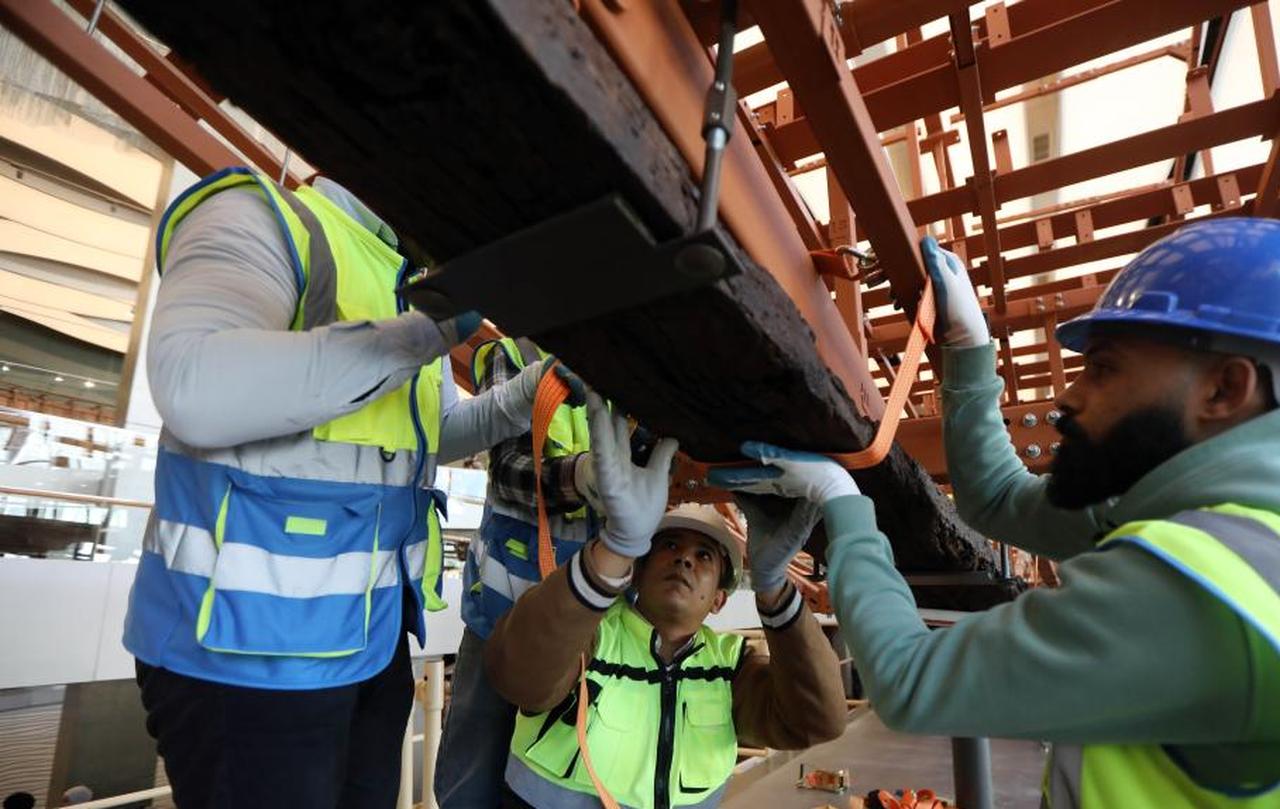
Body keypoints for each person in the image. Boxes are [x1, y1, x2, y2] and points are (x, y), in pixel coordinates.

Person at [710, 218, 1280, 808]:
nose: (1069, 396)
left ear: (1224, 390)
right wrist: (968, 349)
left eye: (1104, 368)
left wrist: (843, 504)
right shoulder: (1184, 519)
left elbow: (911, 680)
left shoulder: (1210, 581)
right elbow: (1001, 500)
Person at [123, 168, 548, 809]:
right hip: (243, 657)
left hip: (367, 646)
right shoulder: (265, 217)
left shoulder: (406, 290)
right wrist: (426, 334)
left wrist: (535, 388)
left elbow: (436, 434)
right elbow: (194, 388)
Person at [485, 392, 848, 809]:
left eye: (704, 556)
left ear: (719, 599)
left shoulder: (732, 666)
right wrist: (614, 550)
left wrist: (773, 587)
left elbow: (818, 719)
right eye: (670, 544)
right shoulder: (589, 631)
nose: (684, 560)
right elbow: (518, 676)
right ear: (638, 569)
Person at [435, 337, 602, 807]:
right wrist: (583, 477)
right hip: (503, 618)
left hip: (585, 631)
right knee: (473, 777)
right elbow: (509, 472)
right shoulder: (514, 355)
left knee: (556, 779)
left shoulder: (626, 373)